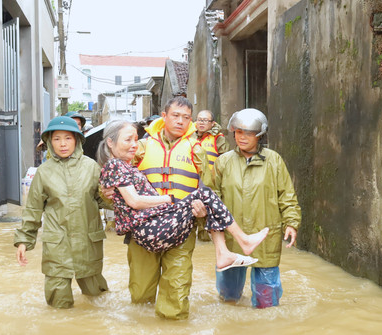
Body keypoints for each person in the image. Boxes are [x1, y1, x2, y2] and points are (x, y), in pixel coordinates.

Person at [97, 120, 267, 268]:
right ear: (110, 143)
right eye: (128, 140)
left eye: (135, 139)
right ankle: (241, 242)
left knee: (206, 198)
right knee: (205, 194)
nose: (134, 144)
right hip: (150, 228)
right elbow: (134, 201)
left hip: (154, 225)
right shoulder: (115, 165)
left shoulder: (123, 165)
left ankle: (224, 252)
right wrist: (168, 199)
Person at [100, 97, 209, 320]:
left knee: (176, 291)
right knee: (141, 294)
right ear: (164, 116)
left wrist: (203, 212)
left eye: (186, 117)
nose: (180, 121)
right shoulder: (137, 147)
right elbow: (116, 189)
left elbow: (209, 187)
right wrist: (106, 193)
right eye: (175, 116)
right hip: (143, 228)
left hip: (182, 226)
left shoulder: (197, 150)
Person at [14, 116, 109, 309]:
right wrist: (24, 240)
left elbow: (103, 200)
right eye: (57, 139)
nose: (63, 144)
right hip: (57, 243)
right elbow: (33, 209)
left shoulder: (91, 167)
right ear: (49, 141)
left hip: (87, 241)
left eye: (68, 138)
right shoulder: (44, 172)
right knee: (58, 303)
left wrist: (119, 195)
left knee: (96, 297)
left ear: (77, 139)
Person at [213, 108, 301, 309]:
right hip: (233, 238)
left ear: (259, 135)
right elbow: (212, 198)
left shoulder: (274, 160)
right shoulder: (223, 162)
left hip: (265, 236)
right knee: (229, 298)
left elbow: (286, 195)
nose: (242, 137)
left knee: (267, 301)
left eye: (249, 133)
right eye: (238, 132)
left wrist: (292, 223)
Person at [193, 109, 231, 242]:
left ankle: (209, 238)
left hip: (212, 183)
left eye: (205, 120)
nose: (201, 123)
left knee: (210, 212)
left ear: (212, 123)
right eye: (199, 120)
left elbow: (226, 161)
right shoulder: (188, 137)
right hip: (192, 182)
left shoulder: (218, 139)